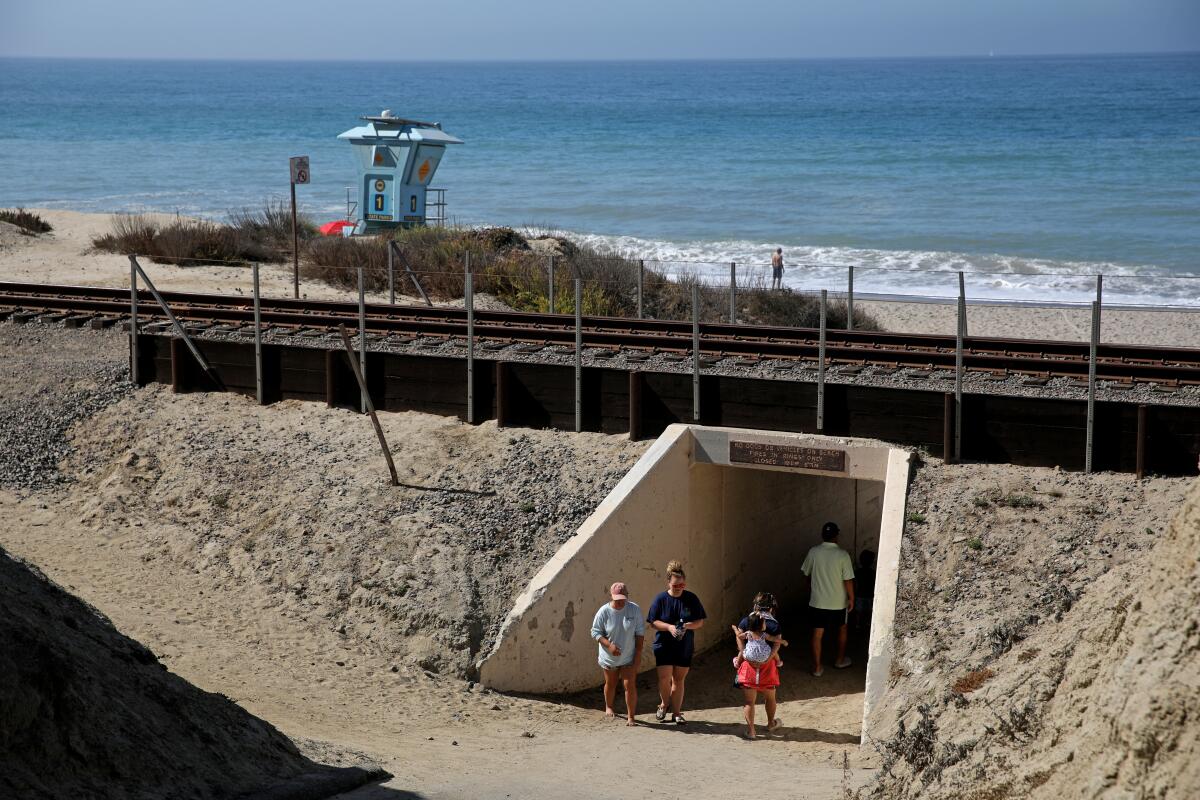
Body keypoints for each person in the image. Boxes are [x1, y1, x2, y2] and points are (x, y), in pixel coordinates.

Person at [646, 560, 706, 725]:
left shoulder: (691, 598)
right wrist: (670, 627)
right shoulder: (660, 599)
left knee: (679, 680)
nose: (679, 587)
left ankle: (677, 713)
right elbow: (652, 622)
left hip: (684, 645)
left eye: (682, 585)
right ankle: (664, 705)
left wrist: (687, 625)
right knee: (664, 678)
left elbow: (700, 621)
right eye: (676, 585)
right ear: (668, 583)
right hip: (664, 645)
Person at [801, 522, 855, 677]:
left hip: (817, 601)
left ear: (822, 535)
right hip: (838, 602)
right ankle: (839, 660)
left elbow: (806, 574)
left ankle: (817, 667)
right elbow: (848, 580)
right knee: (842, 628)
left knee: (817, 634)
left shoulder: (813, 552)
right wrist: (852, 598)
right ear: (836, 536)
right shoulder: (843, 554)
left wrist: (810, 589)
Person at [591, 581, 645, 726]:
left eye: (623, 598)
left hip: (628, 656)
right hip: (609, 658)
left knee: (629, 684)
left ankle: (631, 717)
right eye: (617, 599)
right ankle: (609, 706)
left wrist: (638, 654)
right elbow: (595, 632)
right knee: (611, 683)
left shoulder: (634, 610)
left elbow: (640, 633)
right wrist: (609, 645)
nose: (620, 602)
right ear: (611, 597)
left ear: (627, 596)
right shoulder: (604, 611)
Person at [735, 613, 782, 739]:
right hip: (767, 671)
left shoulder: (747, 630)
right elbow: (776, 641)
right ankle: (771, 723)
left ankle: (751, 732)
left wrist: (735, 630)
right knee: (771, 698)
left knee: (749, 702)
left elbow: (739, 639)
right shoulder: (770, 629)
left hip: (749, 671)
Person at [853, 550, 877, 633]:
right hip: (870, 595)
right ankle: (868, 624)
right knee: (869, 612)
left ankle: (858, 625)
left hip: (860, 595)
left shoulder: (857, 572)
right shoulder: (873, 573)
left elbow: (855, 585)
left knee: (859, 612)